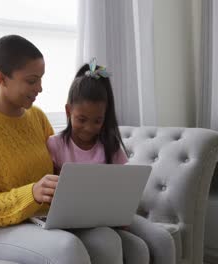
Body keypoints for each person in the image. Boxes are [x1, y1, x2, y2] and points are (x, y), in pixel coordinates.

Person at [0, 35, 137, 264]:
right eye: (31, 81)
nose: (40, 88)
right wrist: (31, 193)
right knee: (67, 248)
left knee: (106, 240)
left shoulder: (37, 117)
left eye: (41, 79)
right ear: (2, 79)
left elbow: (58, 173)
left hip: (36, 220)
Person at [46, 59, 176, 264]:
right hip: (77, 222)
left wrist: (123, 214)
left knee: (163, 240)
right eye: (81, 119)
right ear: (68, 111)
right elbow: (52, 198)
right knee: (130, 247)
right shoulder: (55, 145)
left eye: (97, 121)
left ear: (105, 118)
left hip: (112, 217)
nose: (89, 128)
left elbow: (123, 189)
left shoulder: (109, 145)